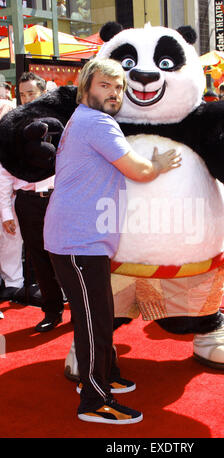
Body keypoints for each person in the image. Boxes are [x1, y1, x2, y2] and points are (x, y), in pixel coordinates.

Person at [43, 58, 181, 424]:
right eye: (106, 85)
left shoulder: (86, 120)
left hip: (80, 239)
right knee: (94, 321)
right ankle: (94, 400)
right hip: (78, 240)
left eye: (119, 88)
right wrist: (159, 164)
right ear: (87, 86)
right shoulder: (97, 122)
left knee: (100, 315)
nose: (114, 93)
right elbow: (139, 171)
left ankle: (105, 376)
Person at [0, 72, 65, 332]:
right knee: (38, 258)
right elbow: (4, 173)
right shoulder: (12, 128)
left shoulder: (62, 122)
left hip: (58, 199)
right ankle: (52, 311)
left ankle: (77, 306)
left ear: (43, 93)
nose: (27, 98)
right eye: (23, 93)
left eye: (32, 93)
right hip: (27, 202)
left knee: (65, 256)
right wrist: (5, 211)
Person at [0, 99, 24, 305]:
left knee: (11, 240)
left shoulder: (8, 110)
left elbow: (6, 176)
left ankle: (14, 285)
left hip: (10, 195)